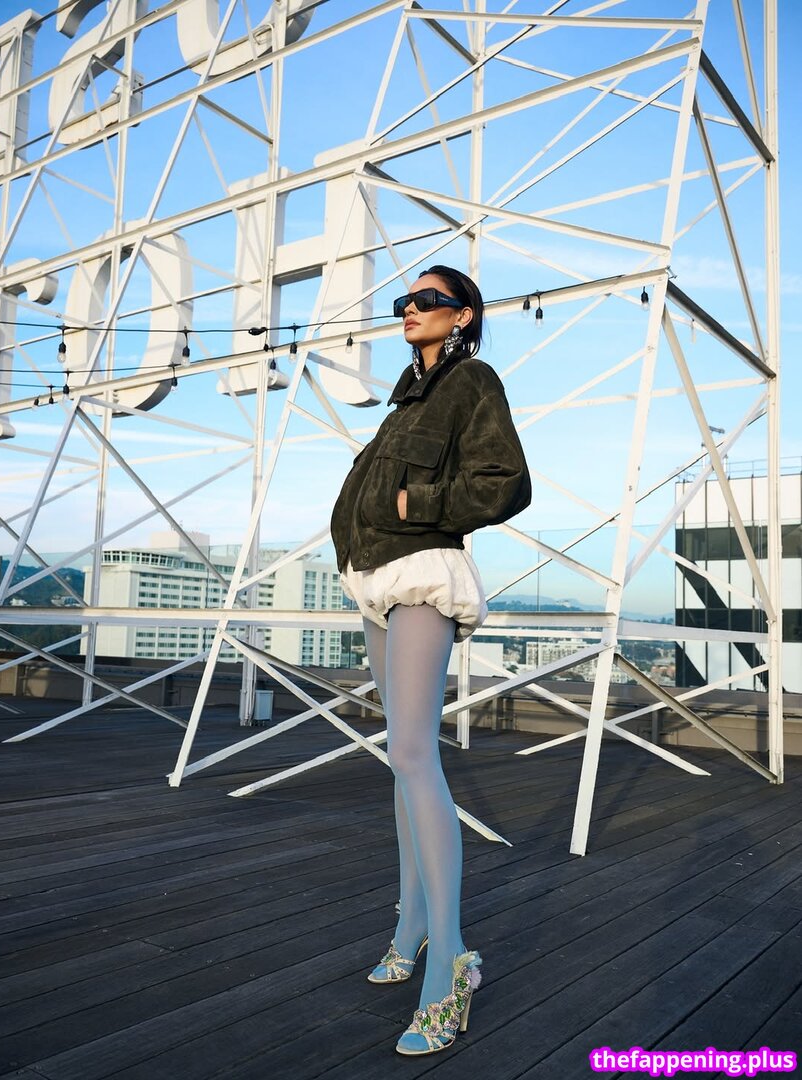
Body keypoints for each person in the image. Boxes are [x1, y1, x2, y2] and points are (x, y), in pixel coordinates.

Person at [330, 265, 531, 1055]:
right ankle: (410, 926)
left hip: (422, 574)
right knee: (399, 757)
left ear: (463, 315)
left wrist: (417, 505)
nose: (410, 311)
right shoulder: (406, 399)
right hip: (376, 578)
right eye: (403, 303)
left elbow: (506, 483)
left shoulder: (472, 382)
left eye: (427, 301)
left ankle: (450, 964)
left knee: (415, 755)